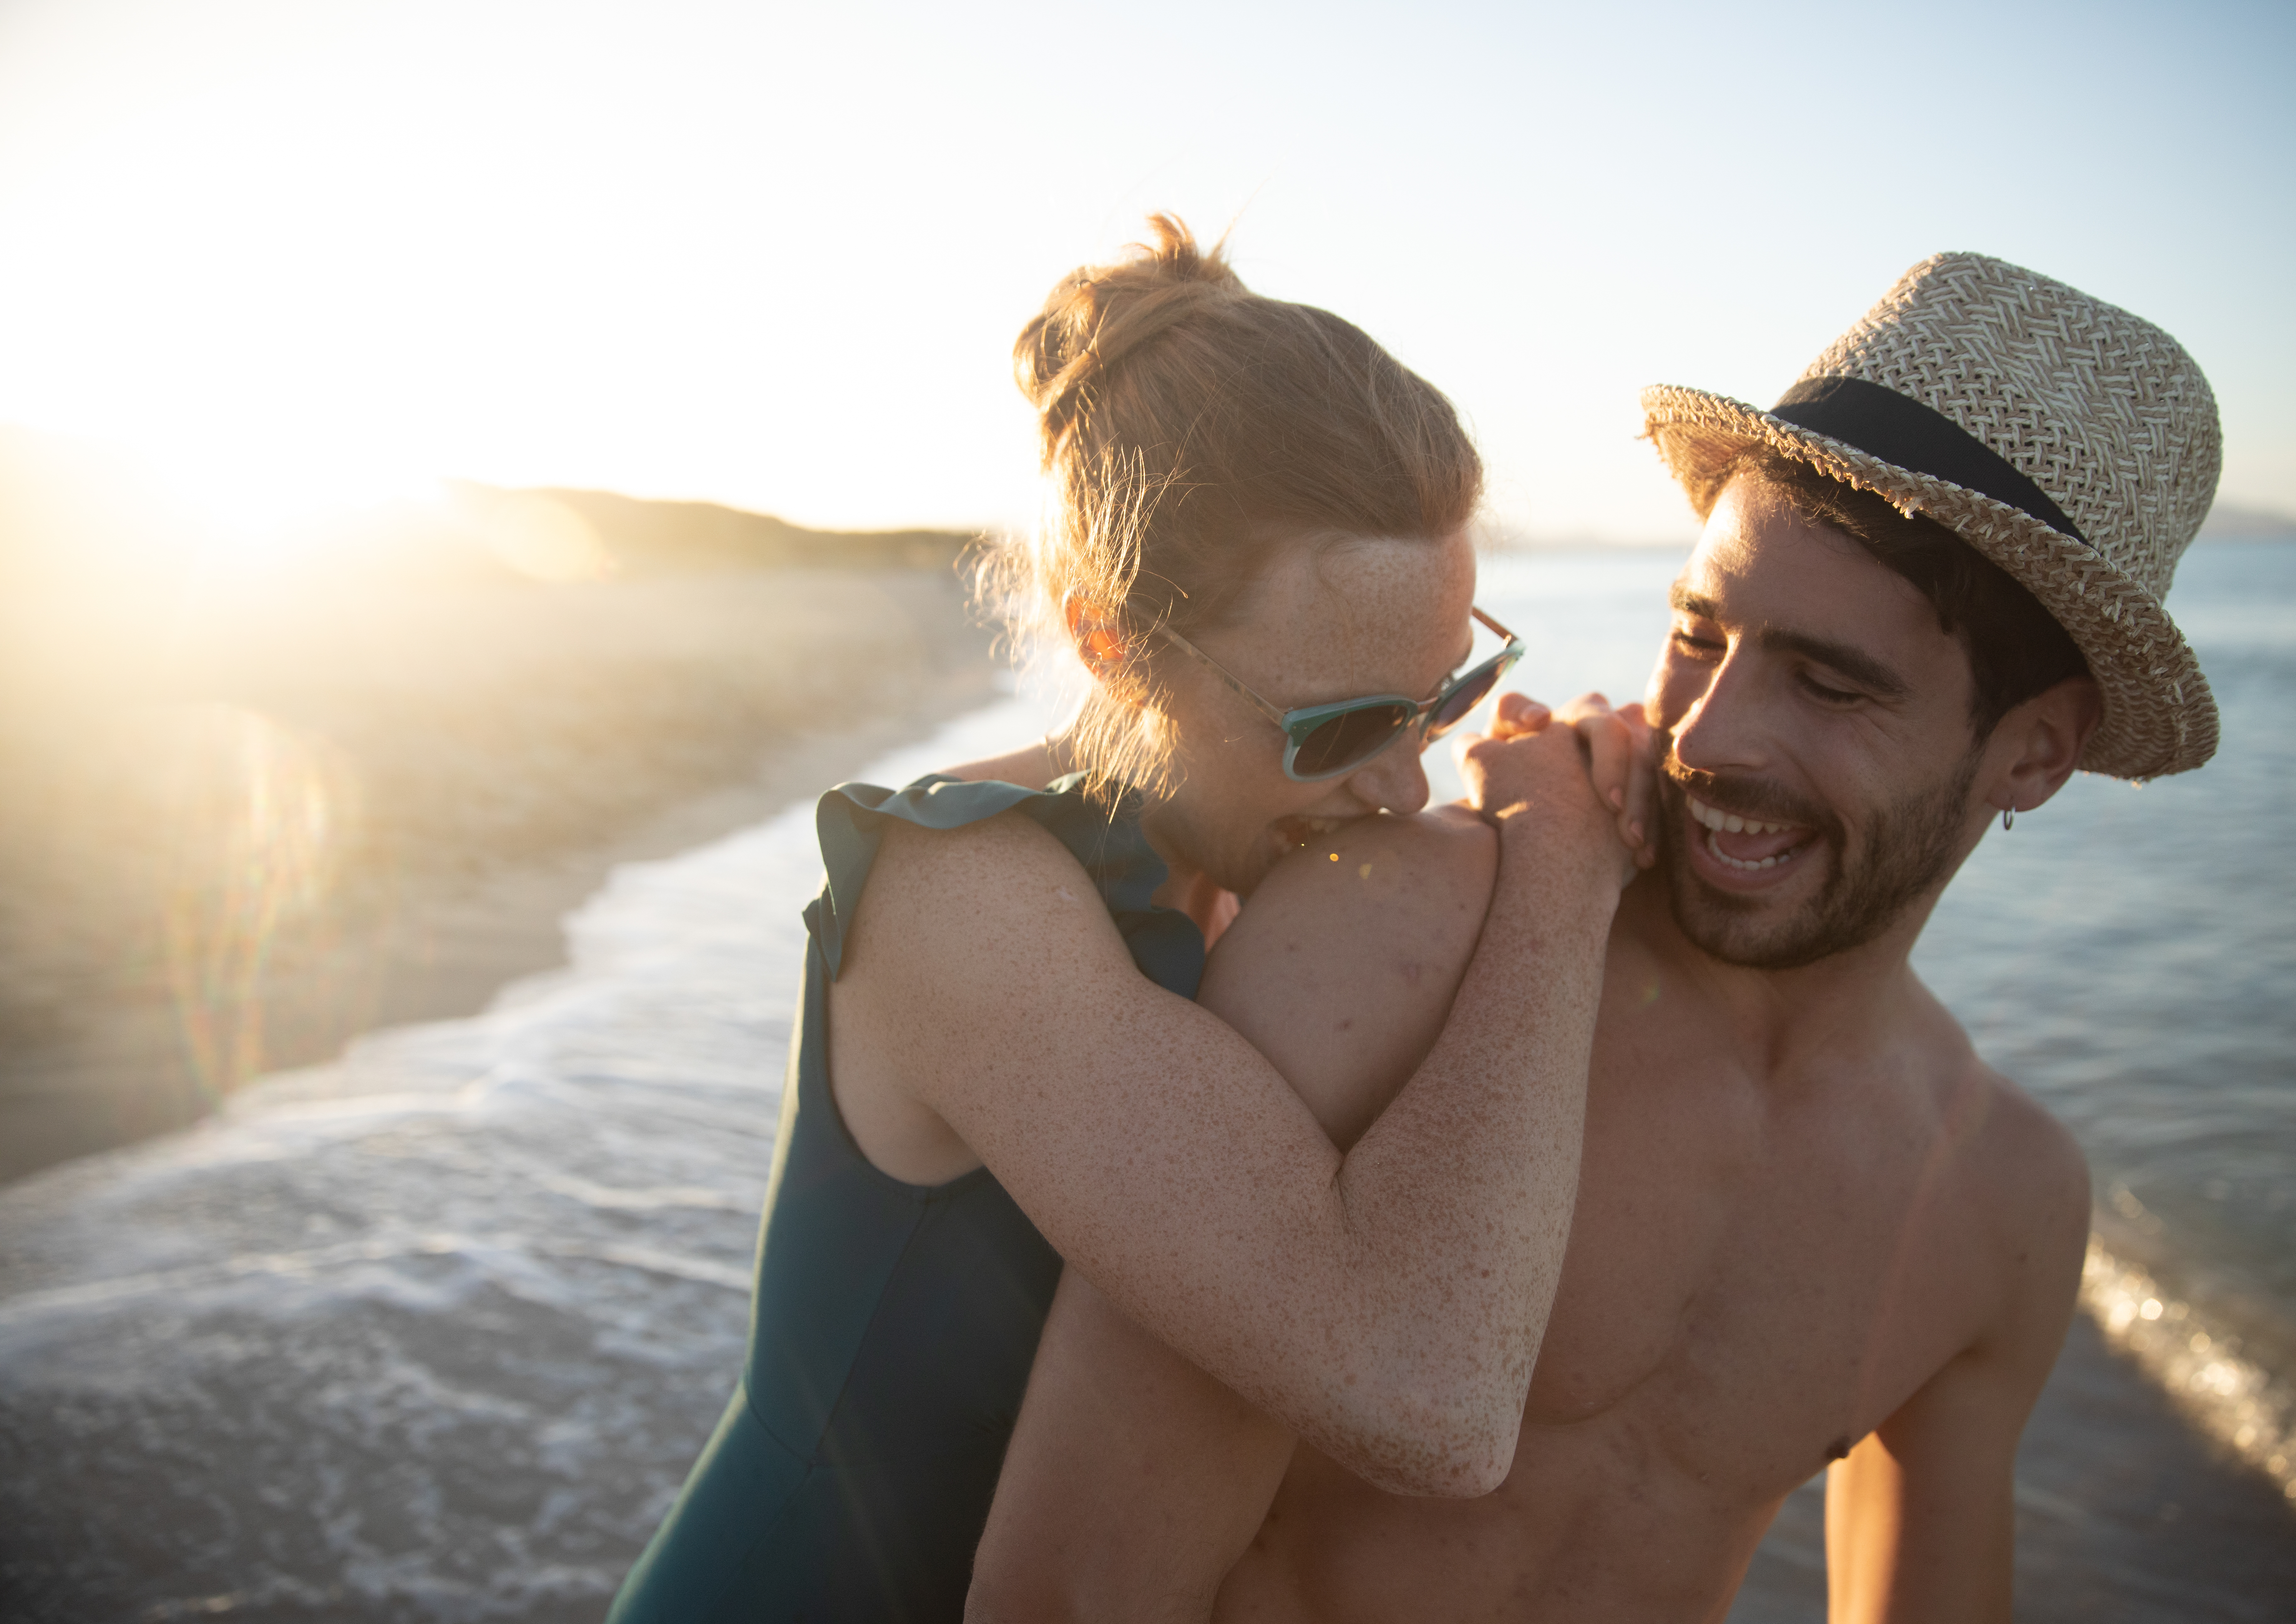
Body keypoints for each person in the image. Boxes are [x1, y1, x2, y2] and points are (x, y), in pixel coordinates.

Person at [969, 252, 2223, 1621]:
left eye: (1826, 684)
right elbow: (1073, 1586)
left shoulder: (2001, 1201)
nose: (1709, 732)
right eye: (1697, 632)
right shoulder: (1400, 934)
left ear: (2032, 752)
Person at [606, 218, 1649, 1624]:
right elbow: (1431, 1400)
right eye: (1336, 723)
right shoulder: (960, 894)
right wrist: (1561, 879)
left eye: (1445, 692)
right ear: (1110, 640)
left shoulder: (1257, 865)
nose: (1404, 783)